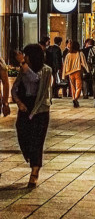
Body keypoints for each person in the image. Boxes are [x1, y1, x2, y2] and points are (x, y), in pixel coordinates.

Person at [11, 44, 53, 187]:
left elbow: (35, 79)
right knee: (22, 134)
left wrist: (22, 63)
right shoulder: (23, 71)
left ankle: (34, 172)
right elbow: (14, 88)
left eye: (26, 56)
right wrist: (18, 102)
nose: (24, 58)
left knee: (36, 141)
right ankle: (31, 158)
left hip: (40, 109)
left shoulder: (46, 70)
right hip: (25, 106)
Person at [62, 40, 89, 107]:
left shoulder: (68, 54)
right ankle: (75, 99)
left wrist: (63, 75)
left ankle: (74, 98)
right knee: (79, 87)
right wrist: (88, 71)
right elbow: (84, 63)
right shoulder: (80, 53)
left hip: (70, 73)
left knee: (72, 87)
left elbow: (65, 65)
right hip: (78, 71)